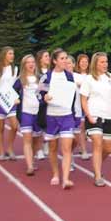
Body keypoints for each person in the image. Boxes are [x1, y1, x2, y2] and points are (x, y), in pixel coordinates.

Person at [80, 52, 111, 187]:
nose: (105, 64)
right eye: (102, 62)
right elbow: (83, 99)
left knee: (107, 149)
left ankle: (97, 163)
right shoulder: (89, 79)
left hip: (108, 116)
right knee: (97, 142)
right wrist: (88, 115)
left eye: (106, 61)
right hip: (94, 115)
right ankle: (97, 175)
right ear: (95, 63)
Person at [39, 48, 76, 189]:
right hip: (52, 116)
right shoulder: (47, 77)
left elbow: (72, 96)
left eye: (66, 58)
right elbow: (39, 95)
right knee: (53, 148)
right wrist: (44, 97)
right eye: (62, 58)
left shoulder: (69, 76)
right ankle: (55, 174)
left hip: (66, 115)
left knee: (66, 148)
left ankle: (66, 179)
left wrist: (74, 115)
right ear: (54, 61)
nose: (65, 61)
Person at [13, 54, 42, 175]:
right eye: (28, 62)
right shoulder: (20, 80)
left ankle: (32, 158)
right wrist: (15, 99)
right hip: (25, 113)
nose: (31, 64)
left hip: (38, 113)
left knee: (37, 140)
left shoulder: (40, 79)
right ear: (24, 65)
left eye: (33, 62)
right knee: (27, 140)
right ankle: (29, 166)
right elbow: (11, 93)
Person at [74, 54, 90, 160]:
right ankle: (84, 150)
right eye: (82, 61)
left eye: (86, 62)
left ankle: (81, 144)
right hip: (79, 104)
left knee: (86, 129)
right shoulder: (75, 75)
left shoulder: (91, 75)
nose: (84, 64)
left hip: (90, 105)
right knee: (81, 127)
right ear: (78, 63)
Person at [35, 49, 51, 159]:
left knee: (48, 124)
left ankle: (46, 143)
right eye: (46, 56)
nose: (48, 58)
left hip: (50, 101)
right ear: (40, 59)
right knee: (39, 125)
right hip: (38, 101)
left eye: (49, 56)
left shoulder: (52, 72)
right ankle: (39, 149)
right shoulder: (36, 72)